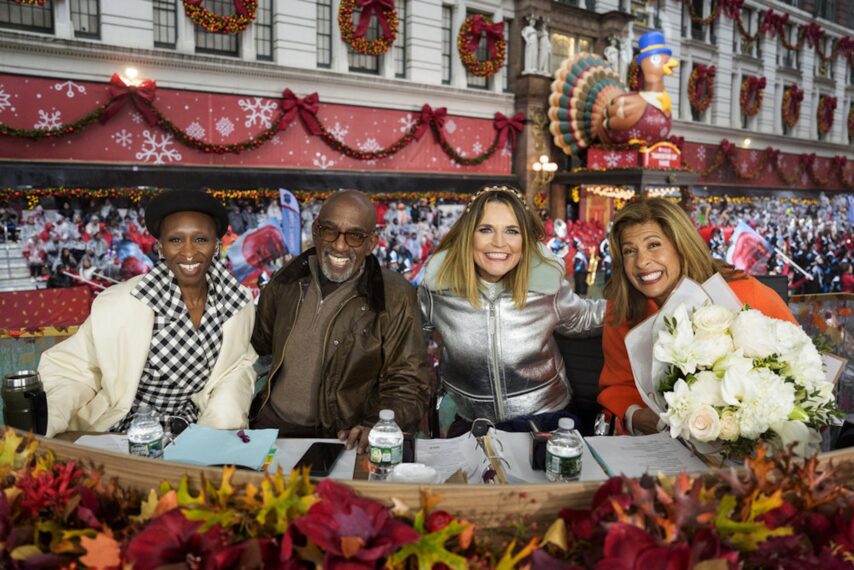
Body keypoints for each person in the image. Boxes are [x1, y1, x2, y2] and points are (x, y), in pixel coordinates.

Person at [39, 190, 258, 437]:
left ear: (216, 246)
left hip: (196, 430)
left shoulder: (237, 305)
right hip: (126, 433)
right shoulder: (120, 304)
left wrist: (216, 428)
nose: (188, 252)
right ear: (160, 248)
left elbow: (236, 370)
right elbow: (72, 370)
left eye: (200, 239)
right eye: (176, 240)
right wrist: (50, 419)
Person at [250, 190, 431, 452]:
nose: (340, 246)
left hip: (339, 439)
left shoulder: (394, 296)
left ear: (371, 243)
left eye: (355, 236)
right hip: (269, 430)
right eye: (329, 231)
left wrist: (376, 425)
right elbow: (258, 348)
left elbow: (408, 381)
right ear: (316, 232)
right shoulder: (287, 280)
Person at [598, 198, 798, 435]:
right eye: (630, 251)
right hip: (660, 442)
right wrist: (637, 416)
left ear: (681, 246)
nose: (642, 262)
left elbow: (803, 364)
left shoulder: (744, 292)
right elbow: (618, 386)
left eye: (653, 245)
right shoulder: (622, 308)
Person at [418, 186, 605, 434]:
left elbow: (584, 318)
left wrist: (643, 306)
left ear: (525, 239)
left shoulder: (546, 285)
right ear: (468, 235)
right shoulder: (437, 289)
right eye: (486, 230)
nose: (499, 242)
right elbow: (409, 336)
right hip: (472, 424)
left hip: (546, 420)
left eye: (512, 231)